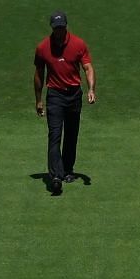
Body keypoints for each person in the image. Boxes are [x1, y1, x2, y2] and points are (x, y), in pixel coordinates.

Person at [33, 11, 95, 197]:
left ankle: (67, 170)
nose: (59, 31)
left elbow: (88, 67)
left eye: (61, 27)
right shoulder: (43, 47)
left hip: (74, 94)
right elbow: (38, 75)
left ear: (66, 26)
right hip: (55, 96)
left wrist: (91, 89)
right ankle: (56, 177)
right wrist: (38, 99)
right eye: (56, 28)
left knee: (71, 133)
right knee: (54, 135)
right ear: (52, 28)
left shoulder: (78, 44)